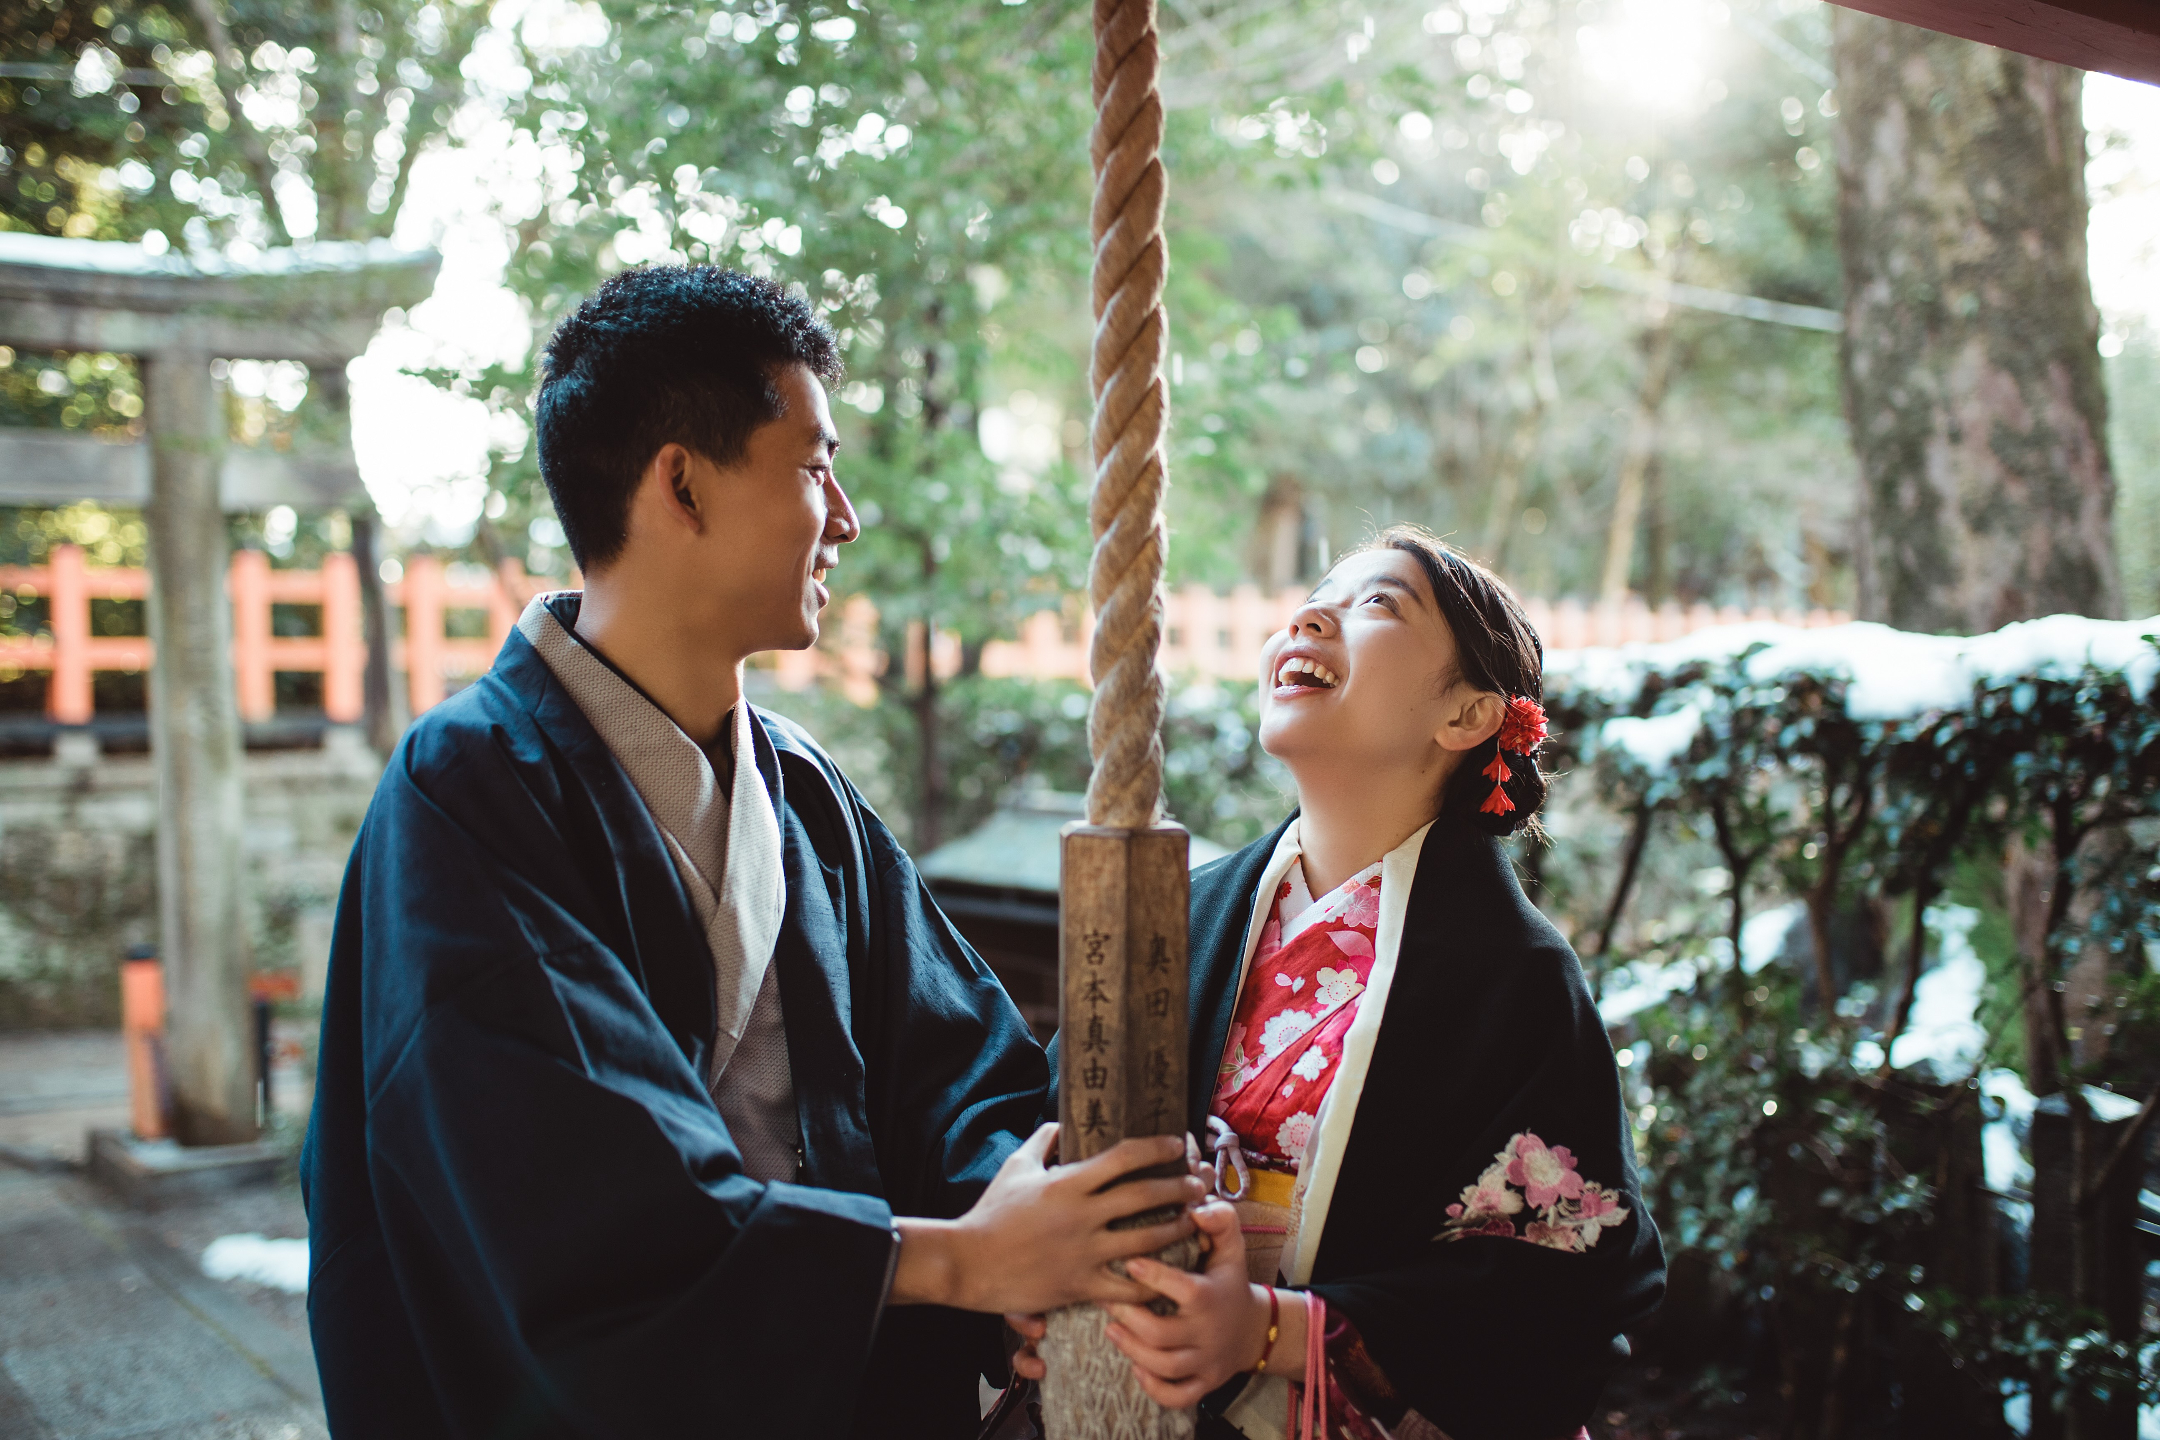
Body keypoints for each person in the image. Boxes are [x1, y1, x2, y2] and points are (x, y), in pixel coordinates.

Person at [301, 265, 1202, 1439]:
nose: (846, 517)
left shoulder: (803, 789)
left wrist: (1023, 1236)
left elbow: (957, 1068)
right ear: (682, 483)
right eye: (815, 466)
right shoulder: (469, 788)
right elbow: (568, 1194)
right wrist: (962, 1261)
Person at [1014, 526, 1665, 1439]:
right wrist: (1041, 1278)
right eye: (1315, 598)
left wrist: (1267, 1329)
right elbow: (1055, 1133)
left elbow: (1556, 1277)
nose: (1310, 617)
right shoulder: (1180, 913)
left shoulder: (1517, 978)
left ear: (1469, 717)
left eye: (1378, 604)